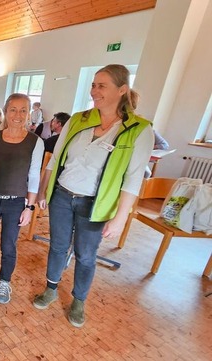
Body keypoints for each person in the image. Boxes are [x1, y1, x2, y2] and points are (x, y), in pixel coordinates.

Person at [32, 64, 154, 328]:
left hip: (95, 203)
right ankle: (51, 289)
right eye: (93, 85)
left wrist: (120, 218)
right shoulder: (79, 119)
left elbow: (132, 180)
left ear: (122, 90)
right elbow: (54, 161)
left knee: (86, 254)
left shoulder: (139, 129)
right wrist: (43, 190)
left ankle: (78, 300)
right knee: (57, 246)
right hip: (62, 195)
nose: (94, 91)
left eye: (102, 85)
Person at [0, 93, 44, 303]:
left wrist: (29, 208)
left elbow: (33, 175)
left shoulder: (35, 142)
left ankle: (4, 280)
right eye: (13, 109)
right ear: (6, 111)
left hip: (16, 202)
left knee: (9, 244)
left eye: (24, 110)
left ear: (29, 113)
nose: (18, 115)